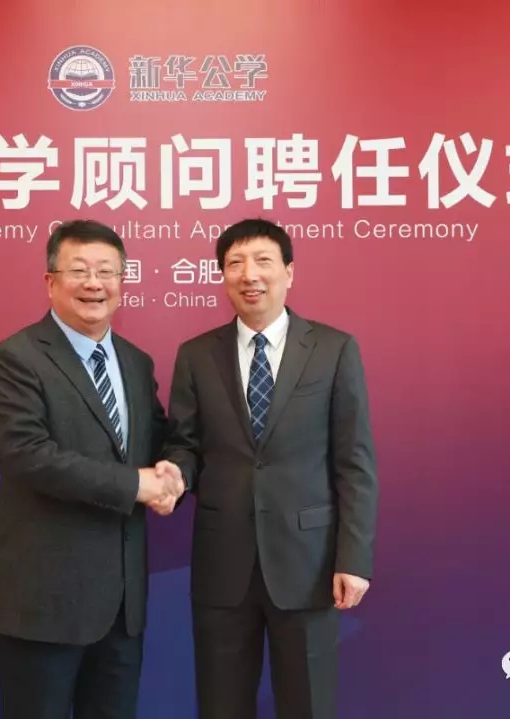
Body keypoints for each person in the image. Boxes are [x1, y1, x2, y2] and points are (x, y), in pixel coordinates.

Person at [162, 218, 379, 719]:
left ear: (289, 272)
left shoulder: (333, 349)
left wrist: (353, 558)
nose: (249, 274)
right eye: (235, 263)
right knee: (222, 705)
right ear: (222, 275)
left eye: (263, 261)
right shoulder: (196, 355)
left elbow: (355, 462)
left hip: (309, 565)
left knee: (308, 705)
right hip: (223, 564)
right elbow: (185, 444)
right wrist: (175, 475)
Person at [0, 219, 184, 719]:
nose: (95, 283)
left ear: (122, 281)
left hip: (121, 608)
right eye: (79, 270)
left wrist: (176, 472)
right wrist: (136, 484)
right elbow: (29, 456)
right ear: (51, 281)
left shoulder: (135, 362)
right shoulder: (14, 359)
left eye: (107, 271)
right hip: (45, 605)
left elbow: (158, 440)